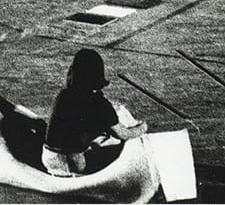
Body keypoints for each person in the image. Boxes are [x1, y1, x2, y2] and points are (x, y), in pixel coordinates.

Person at [42, 48, 148, 177]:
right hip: (72, 164)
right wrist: (142, 127)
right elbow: (124, 134)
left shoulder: (64, 94)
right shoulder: (99, 104)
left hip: (49, 157)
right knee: (118, 149)